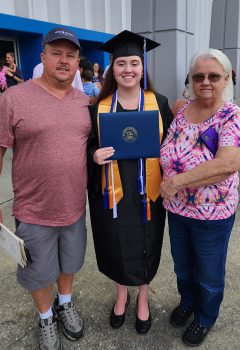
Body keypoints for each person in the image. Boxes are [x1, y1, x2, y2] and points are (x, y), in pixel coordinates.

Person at [0, 26, 91, 350]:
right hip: (33, 209)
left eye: (70, 55)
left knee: (69, 263)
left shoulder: (85, 103)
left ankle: (65, 302)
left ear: (78, 62)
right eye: (57, 53)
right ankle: (45, 317)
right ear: (43, 57)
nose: (63, 60)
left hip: (74, 206)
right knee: (38, 271)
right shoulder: (14, 98)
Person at [87, 30, 173, 334]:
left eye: (134, 62)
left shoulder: (159, 103)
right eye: (121, 63)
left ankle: (143, 299)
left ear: (142, 67)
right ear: (113, 68)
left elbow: (172, 147)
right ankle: (121, 294)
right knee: (115, 242)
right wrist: (94, 156)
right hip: (112, 192)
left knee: (148, 243)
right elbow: (87, 146)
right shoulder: (98, 106)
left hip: (148, 193)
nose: (128, 69)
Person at [160, 49, 240, 347]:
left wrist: (177, 181)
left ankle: (206, 315)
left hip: (212, 215)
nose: (205, 82)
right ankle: (188, 302)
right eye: (199, 76)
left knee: (208, 271)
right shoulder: (181, 108)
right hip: (177, 208)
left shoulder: (231, 114)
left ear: (226, 79)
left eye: (213, 76)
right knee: (182, 265)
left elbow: (228, 163)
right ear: (190, 80)